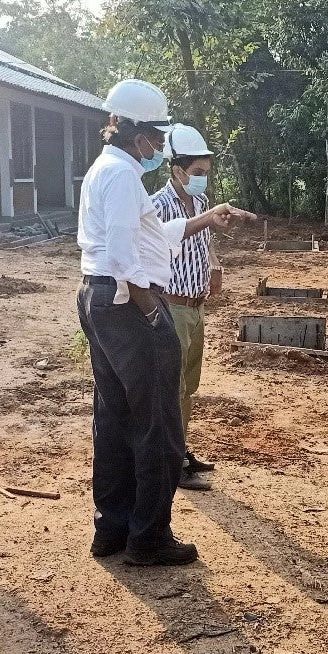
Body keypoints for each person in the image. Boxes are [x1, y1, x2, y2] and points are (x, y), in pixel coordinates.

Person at [76, 79, 252, 567]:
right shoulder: (122, 176)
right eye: (157, 137)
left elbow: (148, 235)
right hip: (128, 304)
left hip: (102, 299)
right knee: (158, 425)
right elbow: (119, 252)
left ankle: (113, 527)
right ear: (139, 136)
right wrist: (148, 305)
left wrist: (203, 220)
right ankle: (149, 536)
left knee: (114, 419)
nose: (158, 147)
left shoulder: (109, 170)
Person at [150, 124, 222, 492]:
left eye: (206, 174)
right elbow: (156, 246)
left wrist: (214, 264)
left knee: (188, 386)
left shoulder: (202, 204)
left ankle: (181, 450)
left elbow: (203, 240)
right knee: (171, 387)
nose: (202, 181)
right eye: (197, 174)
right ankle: (170, 460)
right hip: (171, 305)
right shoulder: (157, 206)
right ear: (177, 170)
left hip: (196, 306)